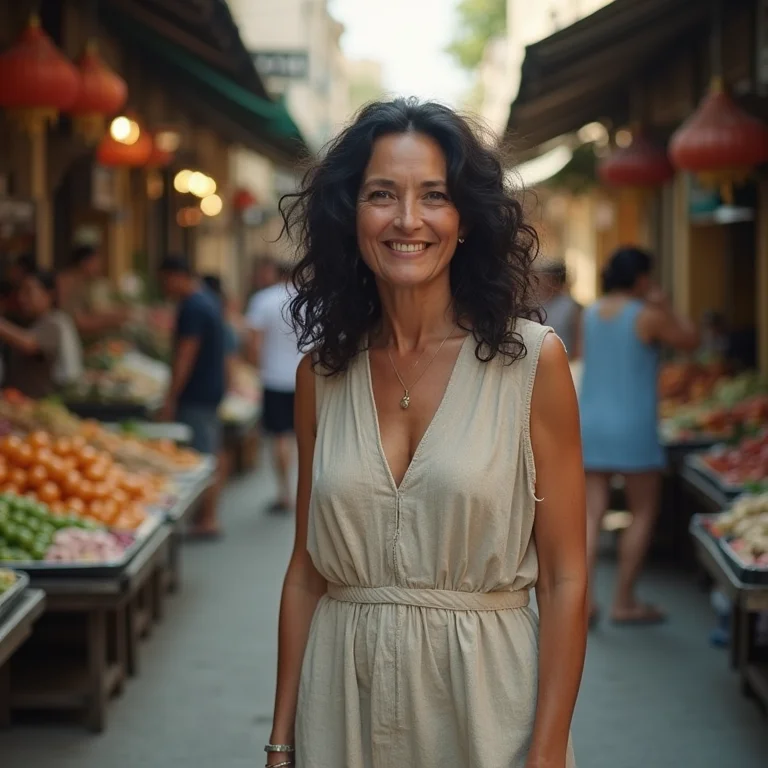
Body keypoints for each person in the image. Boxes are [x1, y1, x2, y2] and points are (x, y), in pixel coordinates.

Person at [265, 99, 586, 768]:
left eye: (433, 196)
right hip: (340, 706)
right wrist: (280, 740)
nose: (407, 220)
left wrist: (549, 750)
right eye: (382, 194)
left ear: (464, 219)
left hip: (487, 709)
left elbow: (564, 576)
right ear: (350, 215)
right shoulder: (320, 375)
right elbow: (306, 573)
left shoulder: (531, 363)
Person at [579, 246, 699, 627]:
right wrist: (665, 306)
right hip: (632, 424)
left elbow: (585, 356)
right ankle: (624, 601)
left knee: (589, 515)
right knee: (643, 511)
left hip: (590, 423)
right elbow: (690, 340)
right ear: (642, 279)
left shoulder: (591, 314)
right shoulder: (647, 316)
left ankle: (584, 604)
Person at [159, 255, 227, 538]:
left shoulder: (193, 308)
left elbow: (186, 355)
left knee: (202, 456)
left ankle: (208, 518)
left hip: (197, 393)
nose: (164, 287)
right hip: (210, 389)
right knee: (209, 451)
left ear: (176, 276)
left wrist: (170, 397)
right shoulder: (207, 300)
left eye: (164, 280)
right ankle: (207, 515)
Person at [245, 262, 302, 513]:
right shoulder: (312, 299)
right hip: (307, 378)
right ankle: (307, 492)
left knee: (280, 437)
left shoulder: (263, 300)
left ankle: (285, 492)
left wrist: (257, 370)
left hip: (275, 378)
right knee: (310, 437)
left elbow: (254, 343)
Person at [0, 269, 82, 398]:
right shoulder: (31, 322)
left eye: (28, 292)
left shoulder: (54, 323)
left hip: (39, 402)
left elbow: (29, 344)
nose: (22, 298)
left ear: (49, 294)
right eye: (21, 292)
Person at [58, 245, 130, 342]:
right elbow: (79, 322)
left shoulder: (83, 284)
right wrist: (112, 320)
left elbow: (92, 311)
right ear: (84, 262)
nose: (99, 267)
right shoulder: (69, 284)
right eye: (96, 262)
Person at [535, 259, 582, 359]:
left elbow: (578, 342)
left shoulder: (571, 307)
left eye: (546, 278)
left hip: (563, 360)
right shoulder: (536, 305)